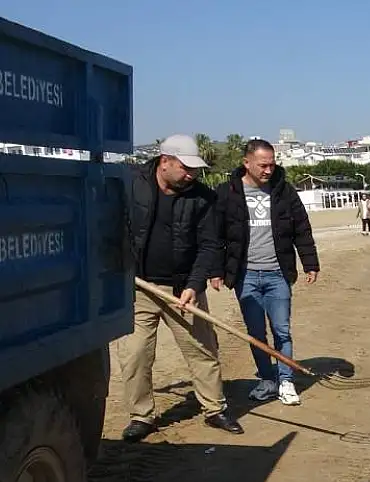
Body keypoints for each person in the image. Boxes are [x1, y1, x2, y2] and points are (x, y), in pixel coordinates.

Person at [119, 134, 241, 441]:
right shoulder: (131, 185)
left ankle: (214, 409)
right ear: (164, 162)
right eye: (185, 168)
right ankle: (141, 416)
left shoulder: (203, 197)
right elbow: (114, 228)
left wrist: (193, 285)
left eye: (194, 170)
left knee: (202, 349)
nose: (191, 175)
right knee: (135, 355)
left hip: (183, 288)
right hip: (138, 287)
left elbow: (208, 246)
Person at [213, 139, 320, 406]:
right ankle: (267, 380)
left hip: (277, 274)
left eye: (272, 165)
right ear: (246, 163)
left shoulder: (284, 192)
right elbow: (215, 235)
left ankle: (285, 381)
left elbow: (301, 229)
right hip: (245, 275)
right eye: (263, 165)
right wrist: (216, 271)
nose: (268, 170)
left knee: (282, 331)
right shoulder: (227, 193)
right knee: (256, 332)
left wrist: (310, 262)